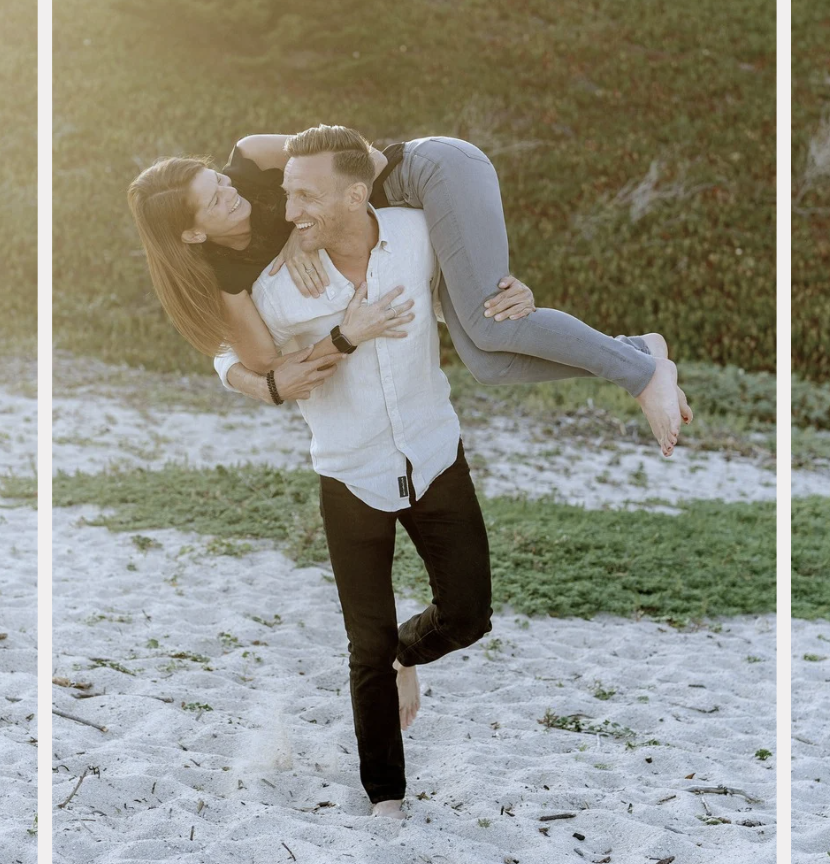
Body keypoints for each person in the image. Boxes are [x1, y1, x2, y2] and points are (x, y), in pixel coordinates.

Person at [213, 126, 495, 818]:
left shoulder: (418, 233)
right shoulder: (277, 288)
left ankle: (407, 656)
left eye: (305, 197)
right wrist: (263, 378)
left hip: (434, 454)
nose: (289, 212)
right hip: (349, 474)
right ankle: (386, 797)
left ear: (355, 194)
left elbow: (473, 284)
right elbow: (227, 352)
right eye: (286, 194)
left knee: (468, 616)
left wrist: (510, 291)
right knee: (365, 645)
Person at [128, 130, 691, 453]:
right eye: (215, 199)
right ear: (193, 234)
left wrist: (303, 230)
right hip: (414, 225)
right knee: (490, 363)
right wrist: (257, 380)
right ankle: (639, 350)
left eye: (218, 179)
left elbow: (365, 157)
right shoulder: (225, 275)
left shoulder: (252, 155)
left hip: (427, 173)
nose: (230, 190)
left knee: (489, 321)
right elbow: (257, 358)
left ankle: (642, 376)